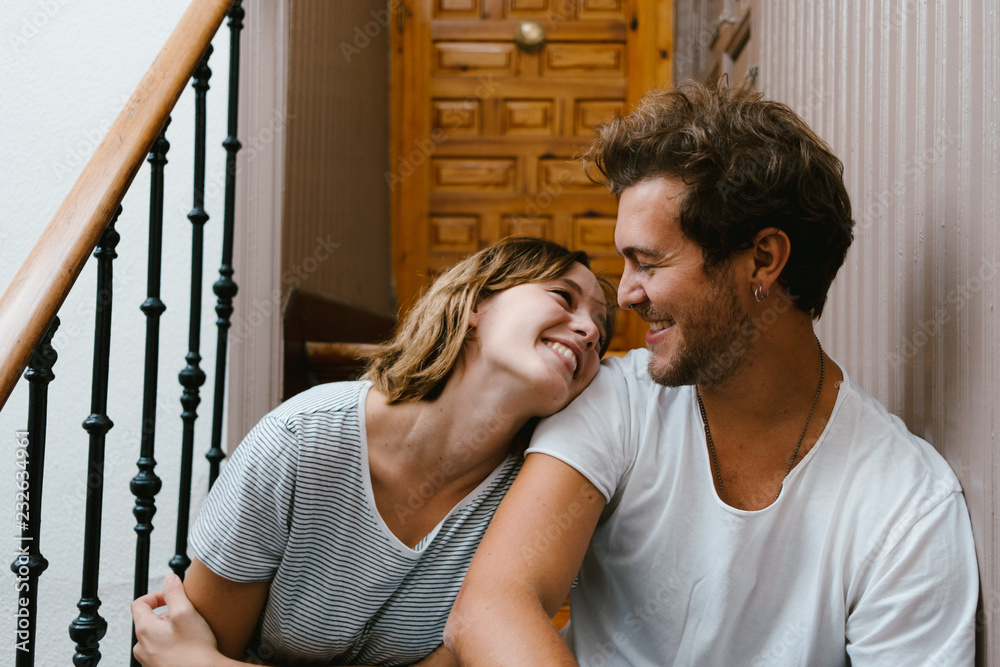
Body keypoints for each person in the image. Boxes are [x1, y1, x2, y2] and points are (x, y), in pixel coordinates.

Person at [444, 81, 979, 665]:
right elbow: (491, 607)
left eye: (648, 263)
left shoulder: (907, 505)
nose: (624, 295)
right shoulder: (617, 401)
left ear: (763, 260)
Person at [131, 236, 617, 667]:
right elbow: (193, 645)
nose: (590, 332)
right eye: (563, 297)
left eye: (600, 329)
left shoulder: (536, 500)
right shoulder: (302, 440)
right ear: (476, 305)